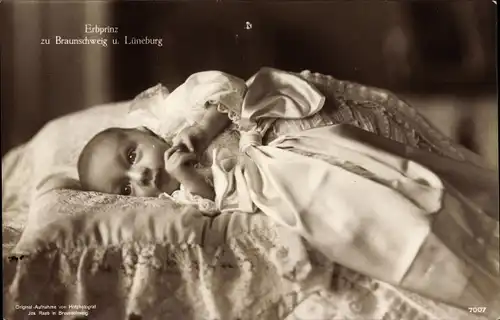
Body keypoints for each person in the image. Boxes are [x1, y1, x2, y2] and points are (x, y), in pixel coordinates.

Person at [78, 67, 499, 313]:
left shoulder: (176, 113)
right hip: (284, 177)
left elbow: (226, 87)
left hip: (286, 128)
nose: (142, 179)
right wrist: (188, 176)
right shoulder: (176, 196)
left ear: (141, 131)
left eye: (132, 158)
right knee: (372, 213)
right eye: (127, 189)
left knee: (404, 165)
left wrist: (201, 130)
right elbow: (213, 201)